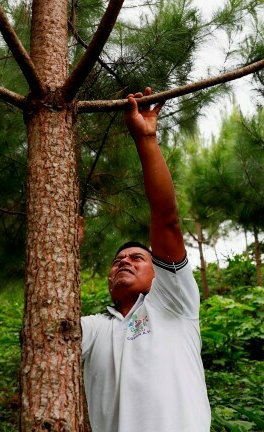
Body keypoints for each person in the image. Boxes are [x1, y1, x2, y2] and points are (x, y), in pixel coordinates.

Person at [80, 88, 211, 432]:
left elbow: (166, 218)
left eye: (137, 257)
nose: (124, 261)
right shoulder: (92, 330)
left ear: (160, 274)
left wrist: (146, 140)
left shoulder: (173, 303)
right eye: (117, 260)